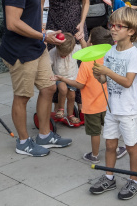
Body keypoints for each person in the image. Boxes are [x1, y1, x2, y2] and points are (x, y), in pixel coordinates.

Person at [0, 0, 72, 157]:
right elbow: (13, 23)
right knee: (22, 96)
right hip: (21, 52)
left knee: (49, 88)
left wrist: (45, 33)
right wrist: (43, 36)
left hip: (36, 45)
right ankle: (23, 142)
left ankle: (44, 135)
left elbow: (32, 13)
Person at [89, 8, 137, 200]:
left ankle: (134, 181)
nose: (113, 29)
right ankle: (109, 177)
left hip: (128, 110)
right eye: (112, 25)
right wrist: (100, 75)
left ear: (131, 31)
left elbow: (128, 82)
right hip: (112, 108)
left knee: (131, 147)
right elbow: (105, 81)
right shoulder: (111, 51)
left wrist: (108, 72)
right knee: (110, 145)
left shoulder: (134, 55)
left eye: (119, 26)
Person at [53, 27, 127, 164]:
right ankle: (116, 150)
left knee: (95, 133)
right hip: (109, 104)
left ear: (91, 44)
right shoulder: (109, 58)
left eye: (88, 39)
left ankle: (94, 155)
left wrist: (63, 79)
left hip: (91, 107)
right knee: (111, 129)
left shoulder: (86, 64)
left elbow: (79, 84)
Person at [49, 33, 82, 126]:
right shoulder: (53, 52)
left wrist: (82, 39)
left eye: (66, 54)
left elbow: (85, 49)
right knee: (63, 89)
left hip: (72, 77)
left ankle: (70, 115)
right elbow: (48, 64)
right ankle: (60, 109)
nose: (63, 56)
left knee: (72, 96)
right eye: (61, 54)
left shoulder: (75, 48)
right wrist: (51, 76)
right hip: (59, 77)